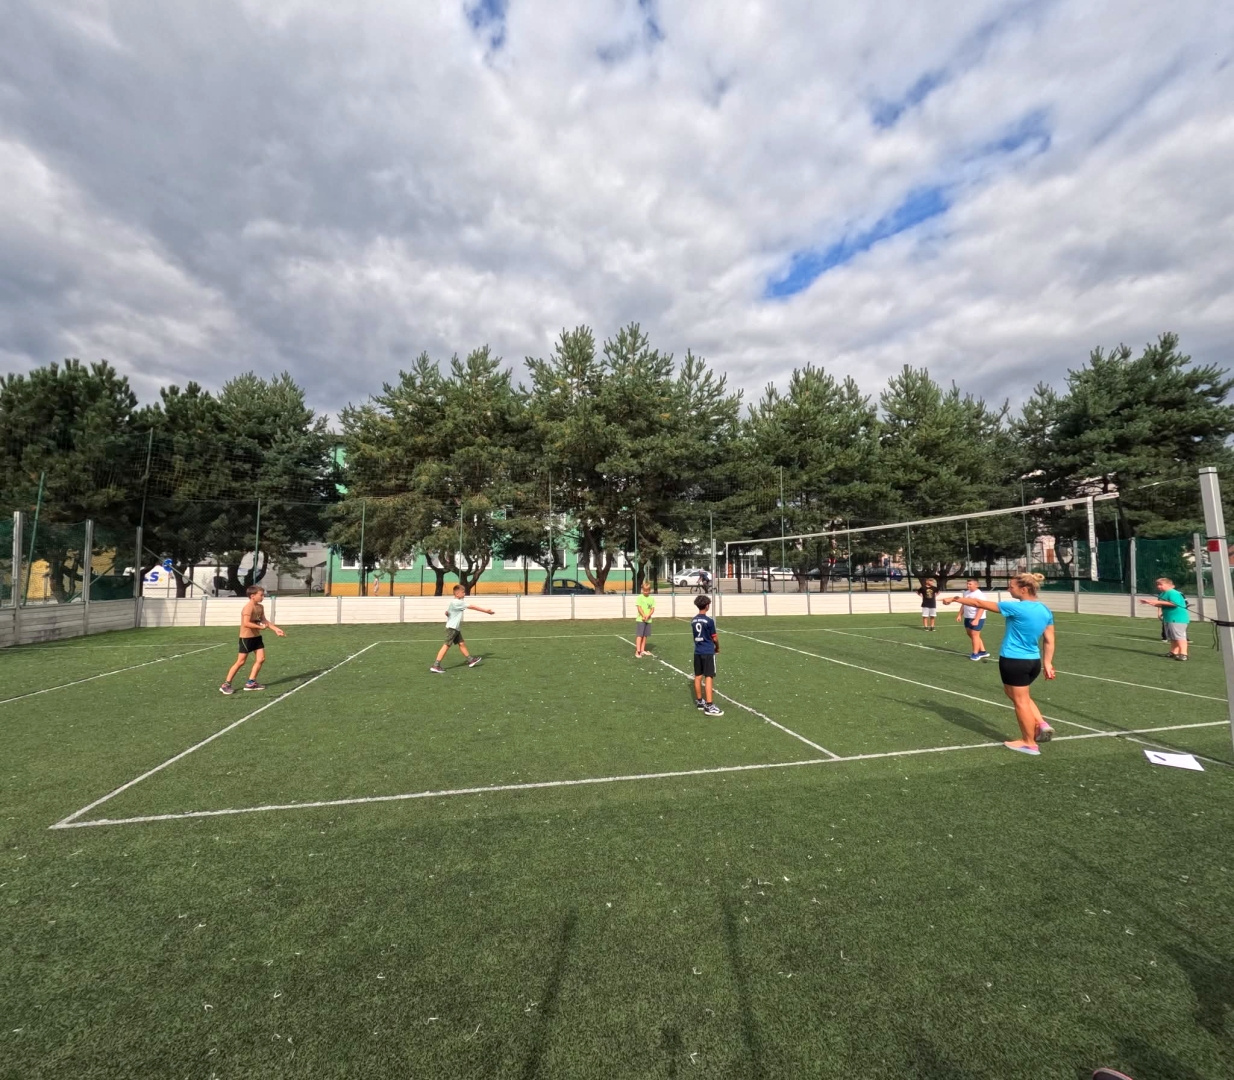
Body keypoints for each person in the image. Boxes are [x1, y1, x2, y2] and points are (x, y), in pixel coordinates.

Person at [942, 572, 1056, 755]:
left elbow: (978, 603)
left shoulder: (1015, 607)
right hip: (1032, 662)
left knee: (1020, 702)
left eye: (1012, 586)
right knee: (1016, 694)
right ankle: (1041, 723)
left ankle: (1029, 743)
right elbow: (1049, 640)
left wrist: (955, 599)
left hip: (1014, 661)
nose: (1009, 589)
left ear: (1024, 589)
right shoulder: (1045, 610)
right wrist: (1047, 663)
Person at [220, 584, 285, 695]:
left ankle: (251, 683)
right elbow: (246, 623)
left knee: (261, 659)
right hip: (246, 638)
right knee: (241, 662)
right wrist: (260, 627)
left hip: (256, 637)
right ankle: (226, 684)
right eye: (261, 595)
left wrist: (276, 629)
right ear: (252, 596)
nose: (263, 597)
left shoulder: (260, 607)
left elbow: (264, 621)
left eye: (263, 595)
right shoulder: (248, 607)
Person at [429, 584, 495, 673]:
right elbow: (472, 607)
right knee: (446, 645)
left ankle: (470, 660)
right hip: (452, 628)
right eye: (463, 592)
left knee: (461, 643)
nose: (464, 594)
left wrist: (447, 614)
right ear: (457, 594)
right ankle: (436, 665)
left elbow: (448, 613)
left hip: (455, 628)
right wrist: (486, 611)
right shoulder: (458, 602)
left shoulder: (453, 602)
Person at [1138, 577, 1190, 660]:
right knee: (1173, 636)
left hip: (1177, 618)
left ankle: (1183, 654)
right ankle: (1174, 652)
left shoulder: (1173, 593)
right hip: (1168, 618)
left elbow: (1174, 604)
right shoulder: (1162, 594)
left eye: (1161, 584)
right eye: (1157, 585)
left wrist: (1156, 602)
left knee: (1179, 636)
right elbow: (1162, 604)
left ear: (1168, 585)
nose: (1158, 586)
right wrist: (1149, 602)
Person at [690, 594, 724, 716]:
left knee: (698, 676)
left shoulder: (693, 620)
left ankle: (700, 701)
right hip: (708, 651)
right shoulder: (709, 621)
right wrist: (717, 647)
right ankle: (709, 706)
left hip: (698, 651)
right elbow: (714, 638)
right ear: (707, 606)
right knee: (709, 676)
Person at [957, 577, 990, 661]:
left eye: (970, 584)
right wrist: (959, 614)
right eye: (967, 584)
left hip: (977, 618)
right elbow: (963, 604)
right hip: (968, 617)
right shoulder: (966, 593)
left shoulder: (980, 595)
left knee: (974, 635)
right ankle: (983, 651)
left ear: (976, 585)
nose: (968, 585)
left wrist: (976, 619)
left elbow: (982, 607)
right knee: (971, 634)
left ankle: (975, 654)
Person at [634, 579, 655, 657]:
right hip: (641, 619)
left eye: (647, 591)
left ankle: (643, 650)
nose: (645, 592)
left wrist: (648, 615)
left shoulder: (651, 599)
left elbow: (652, 609)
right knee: (640, 635)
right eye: (644, 590)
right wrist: (643, 615)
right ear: (642, 590)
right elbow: (639, 608)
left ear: (649, 590)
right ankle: (638, 651)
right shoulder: (640, 597)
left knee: (645, 635)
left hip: (648, 620)